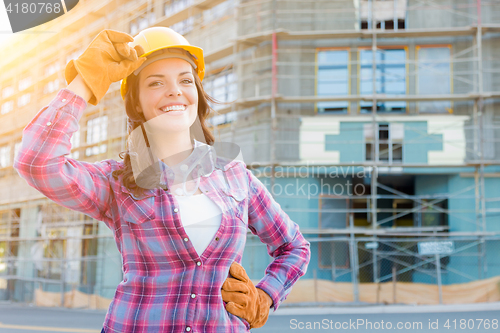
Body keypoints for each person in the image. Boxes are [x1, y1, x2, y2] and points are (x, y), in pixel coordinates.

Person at [13, 27, 311, 332]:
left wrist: (265, 296)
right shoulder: (115, 183)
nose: (174, 90)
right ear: (137, 103)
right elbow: (37, 162)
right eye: (156, 82)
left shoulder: (235, 176)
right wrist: (84, 81)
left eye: (185, 80)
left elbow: (295, 247)